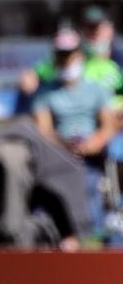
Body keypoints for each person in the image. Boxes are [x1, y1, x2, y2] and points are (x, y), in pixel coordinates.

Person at [33, 28, 116, 238]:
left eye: (69, 55)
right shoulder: (45, 92)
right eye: (60, 56)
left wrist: (94, 143)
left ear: (79, 55)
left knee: (88, 187)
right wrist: (63, 146)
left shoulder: (96, 89)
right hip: (57, 157)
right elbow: (43, 129)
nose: (65, 61)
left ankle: (91, 234)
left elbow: (109, 124)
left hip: (90, 158)